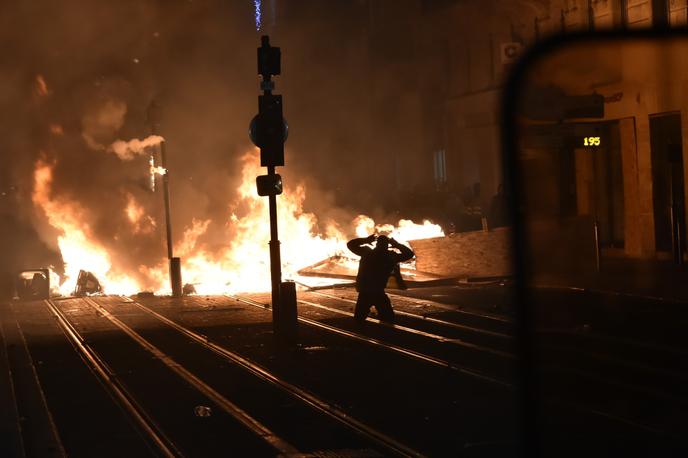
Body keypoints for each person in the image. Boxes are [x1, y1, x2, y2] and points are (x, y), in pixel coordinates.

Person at [347, 234, 415, 324]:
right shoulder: (390, 256)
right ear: (387, 245)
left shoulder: (367, 252)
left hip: (365, 290)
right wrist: (396, 244)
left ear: (376, 244)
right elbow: (409, 254)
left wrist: (366, 240)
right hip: (378, 291)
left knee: (359, 319)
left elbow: (351, 244)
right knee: (388, 318)